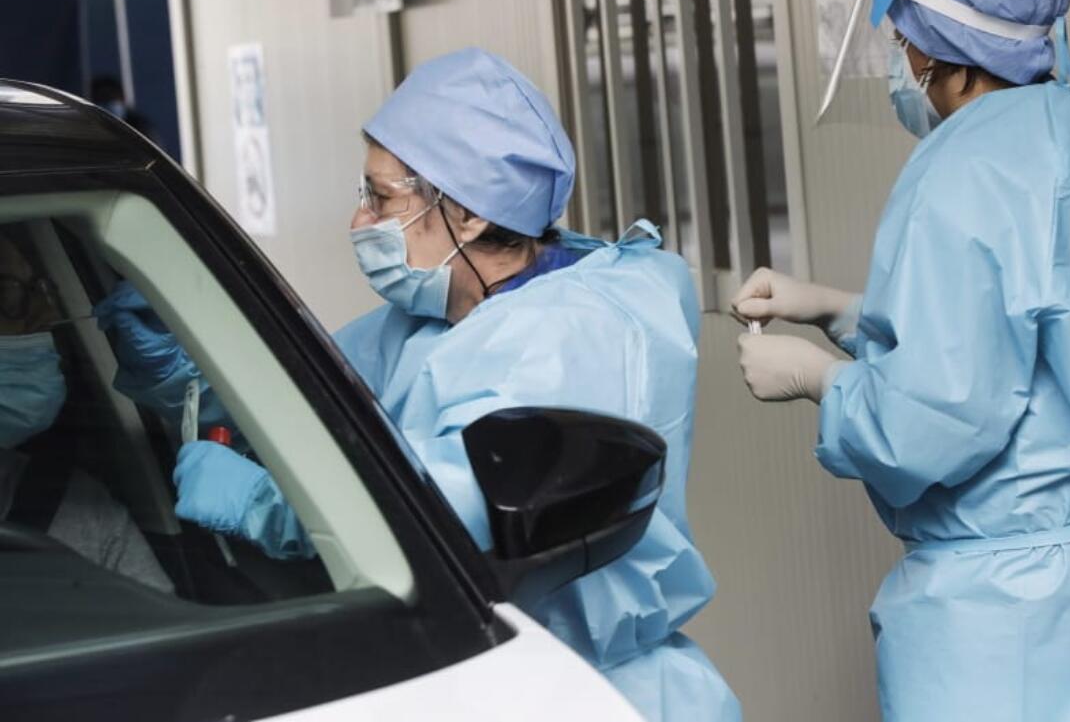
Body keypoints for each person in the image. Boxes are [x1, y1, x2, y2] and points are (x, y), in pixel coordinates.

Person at [96, 48, 741, 722]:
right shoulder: (439, 319)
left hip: (582, 693)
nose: (359, 222)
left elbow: (442, 517)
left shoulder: (568, 341)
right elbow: (302, 393)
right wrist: (181, 362)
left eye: (380, 197)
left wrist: (269, 503)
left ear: (465, 215)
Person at [733, 0, 1070, 720]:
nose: (904, 61)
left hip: (1018, 626)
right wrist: (845, 311)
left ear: (951, 55)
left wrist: (825, 380)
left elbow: (931, 422)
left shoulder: (961, 169)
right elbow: (1063, 331)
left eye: (907, 42)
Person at [0, 233, 173, 594]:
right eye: (8, 294)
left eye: (41, 290)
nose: (48, 316)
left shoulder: (74, 506)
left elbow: (169, 641)